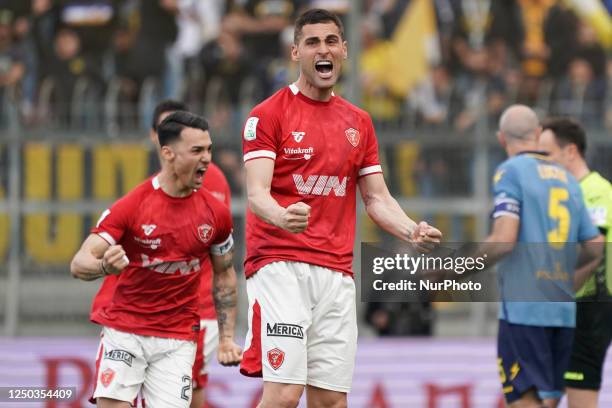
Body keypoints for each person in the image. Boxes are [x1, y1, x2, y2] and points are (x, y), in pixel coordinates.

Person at [239, 8, 442, 408]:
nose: (323, 49)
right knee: (283, 394)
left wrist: (410, 230)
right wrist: (281, 216)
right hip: (281, 266)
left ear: (345, 50)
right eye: (312, 42)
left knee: (331, 400)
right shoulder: (268, 114)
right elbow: (257, 193)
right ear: (295, 52)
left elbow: (377, 198)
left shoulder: (359, 122)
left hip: (336, 272)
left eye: (331, 41)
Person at [71, 111, 242, 408]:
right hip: (126, 332)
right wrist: (103, 267)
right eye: (197, 150)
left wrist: (227, 338)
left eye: (209, 149)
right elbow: (79, 261)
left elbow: (225, 274)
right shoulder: (133, 205)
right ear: (168, 153)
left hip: (177, 340)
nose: (206, 159)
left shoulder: (216, 214)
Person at [479, 105, 602, 408]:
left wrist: (447, 271)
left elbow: (504, 240)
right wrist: (566, 284)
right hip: (562, 314)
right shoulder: (569, 180)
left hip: (524, 313)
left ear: (501, 139)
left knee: (524, 401)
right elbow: (595, 244)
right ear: (536, 134)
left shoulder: (510, 171)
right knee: (546, 401)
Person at [539, 118, 612, 408]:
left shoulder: (596, 191)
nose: (541, 164)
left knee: (579, 396)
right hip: (564, 309)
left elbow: (592, 254)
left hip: (588, 307)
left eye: (547, 155)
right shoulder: (561, 193)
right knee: (544, 394)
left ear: (570, 151)